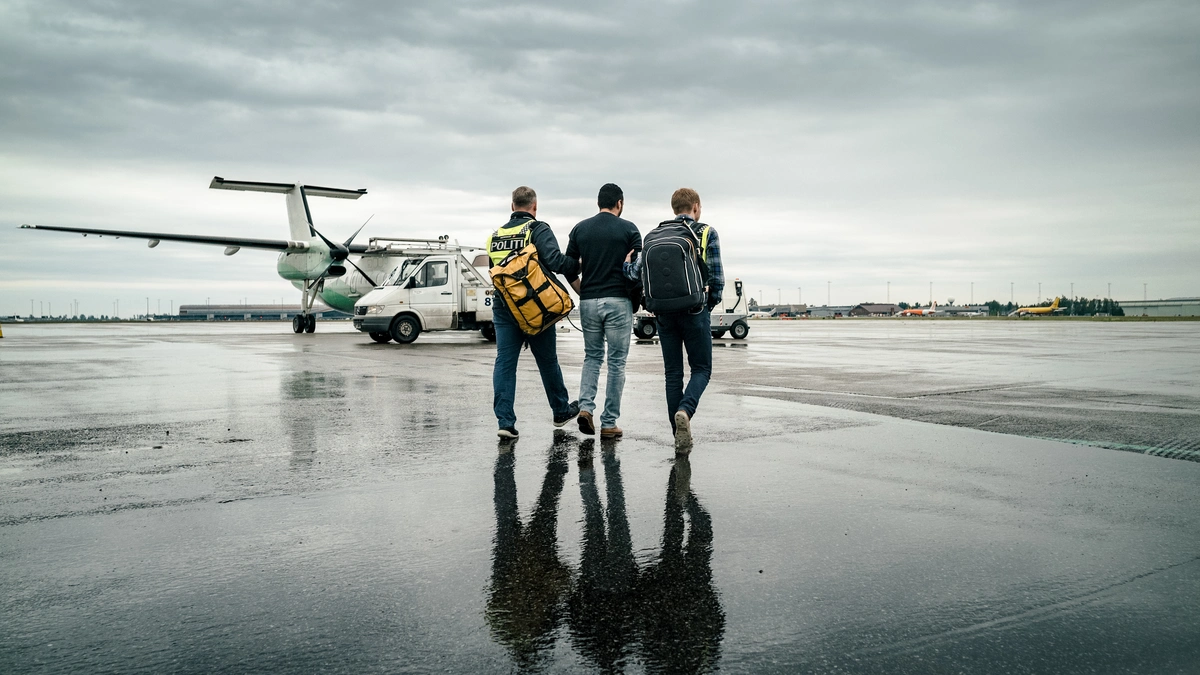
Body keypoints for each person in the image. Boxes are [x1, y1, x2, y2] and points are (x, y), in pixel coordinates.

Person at [625, 188, 723, 452]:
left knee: (673, 375)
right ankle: (686, 412)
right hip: (694, 311)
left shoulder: (654, 236)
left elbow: (634, 274)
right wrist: (706, 306)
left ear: (673, 208)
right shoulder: (705, 233)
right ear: (696, 206)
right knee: (702, 369)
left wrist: (626, 263)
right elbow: (716, 279)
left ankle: (678, 435)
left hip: (664, 314)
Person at [488, 186, 581, 439]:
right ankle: (560, 410)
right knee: (547, 360)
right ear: (535, 207)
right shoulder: (537, 229)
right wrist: (581, 263)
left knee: (505, 363)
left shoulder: (495, 236)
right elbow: (555, 262)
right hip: (535, 307)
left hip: (505, 307)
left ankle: (505, 422)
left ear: (512, 207)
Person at [565, 183, 642, 439]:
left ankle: (586, 408)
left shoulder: (580, 229)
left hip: (588, 301)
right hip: (618, 301)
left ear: (598, 202)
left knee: (593, 357)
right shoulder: (629, 229)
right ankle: (609, 423)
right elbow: (637, 270)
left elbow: (568, 267)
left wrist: (582, 291)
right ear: (619, 203)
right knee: (617, 363)